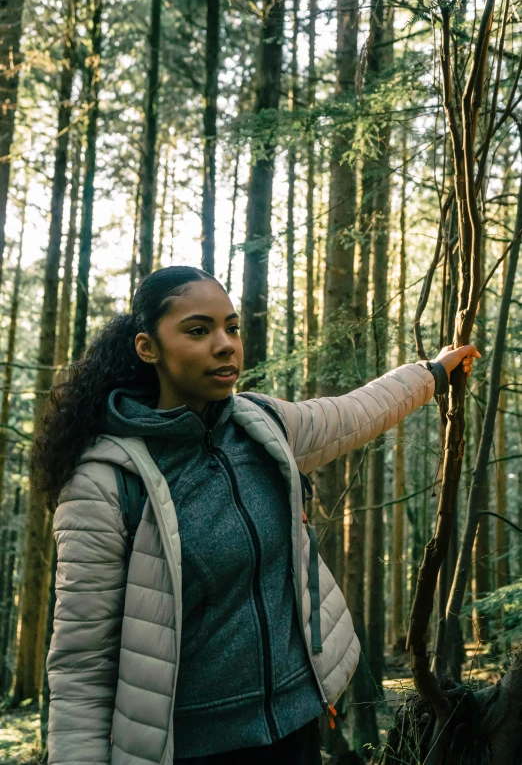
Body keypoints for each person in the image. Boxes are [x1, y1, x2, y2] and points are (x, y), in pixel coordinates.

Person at [39, 266, 479, 765]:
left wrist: (434, 372)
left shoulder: (260, 424)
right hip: (195, 748)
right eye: (198, 330)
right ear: (148, 348)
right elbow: (83, 663)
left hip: (296, 724)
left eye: (231, 327)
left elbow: (353, 413)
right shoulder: (105, 482)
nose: (225, 344)